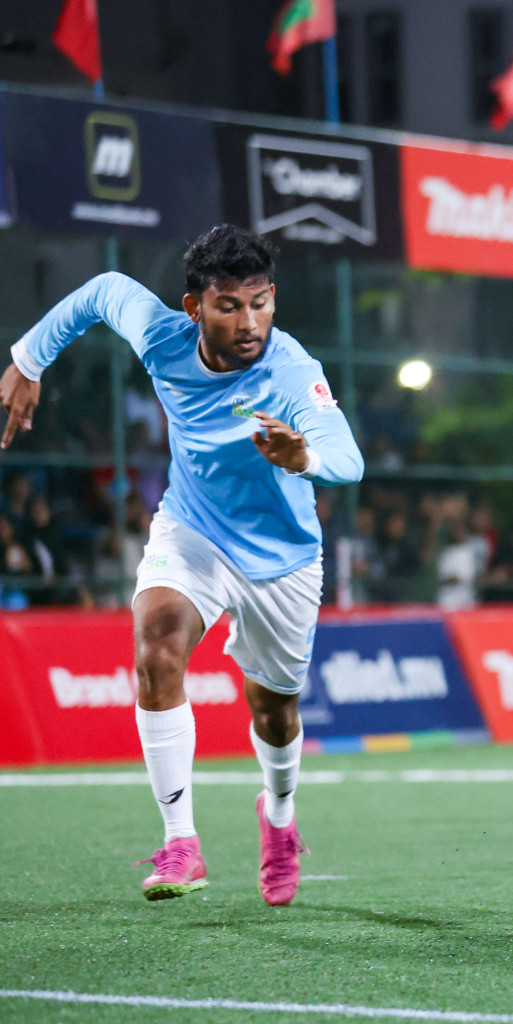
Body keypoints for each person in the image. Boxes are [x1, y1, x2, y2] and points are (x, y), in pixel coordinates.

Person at [0, 225, 363, 905]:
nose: (249, 321)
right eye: (230, 305)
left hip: (283, 556)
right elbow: (102, 293)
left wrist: (305, 458)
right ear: (194, 307)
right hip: (194, 528)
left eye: (261, 302)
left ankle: (280, 819)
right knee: (156, 646)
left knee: (274, 711)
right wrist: (28, 358)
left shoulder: (291, 371)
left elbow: (349, 457)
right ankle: (180, 842)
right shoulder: (163, 336)